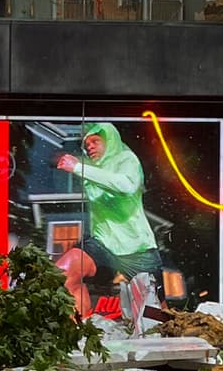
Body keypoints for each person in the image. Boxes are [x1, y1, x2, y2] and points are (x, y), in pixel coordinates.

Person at [54, 121, 162, 318]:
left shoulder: (126, 159)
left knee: (154, 314)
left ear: (110, 140)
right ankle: (81, 335)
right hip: (103, 244)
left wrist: (78, 167)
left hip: (136, 249)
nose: (90, 146)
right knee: (64, 273)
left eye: (95, 141)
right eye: (86, 145)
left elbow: (126, 185)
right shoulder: (89, 170)